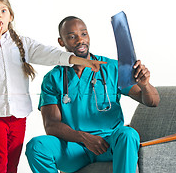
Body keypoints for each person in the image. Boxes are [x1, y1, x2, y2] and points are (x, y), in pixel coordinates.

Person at [0, 0, 105, 173]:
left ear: (10, 16)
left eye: (3, 11)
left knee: (12, 163)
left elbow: (51, 54)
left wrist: (82, 61)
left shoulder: (23, 44)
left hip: (19, 115)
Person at [25, 16, 160, 173]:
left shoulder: (111, 68)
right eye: (71, 36)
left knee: (128, 134)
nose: (80, 40)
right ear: (61, 42)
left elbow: (153, 101)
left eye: (83, 34)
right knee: (37, 147)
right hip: (75, 148)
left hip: (109, 143)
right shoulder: (53, 78)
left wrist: (144, 85)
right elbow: (51, 126)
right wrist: (84, 138)